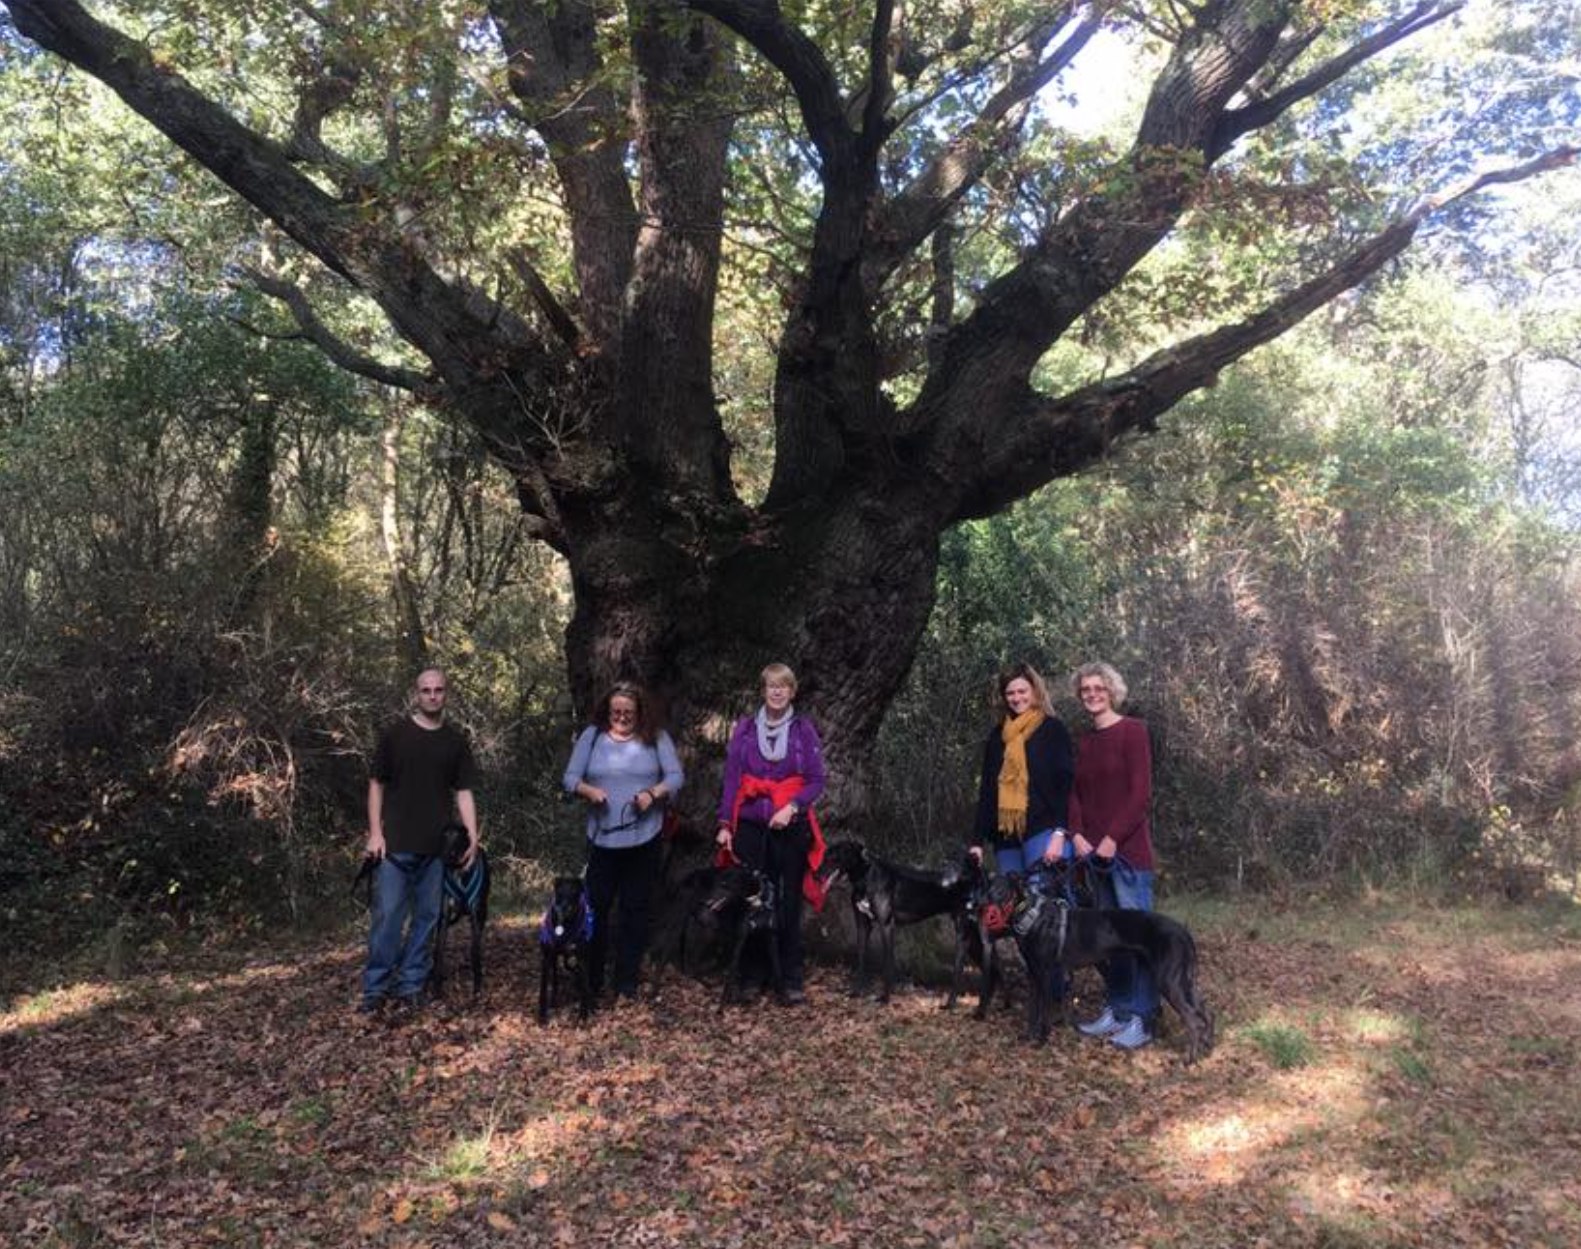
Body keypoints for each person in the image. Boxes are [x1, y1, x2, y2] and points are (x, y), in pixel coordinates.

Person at [361, 666, 480, 1015]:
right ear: (416, 694)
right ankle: (375, 988)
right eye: (426, 690)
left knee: (427, 919)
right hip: (395, 846)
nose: (432, 696)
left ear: (446, 694)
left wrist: (473, 836)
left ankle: (411, 985)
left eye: (438, 690)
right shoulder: (395, 736)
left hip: (437, 849)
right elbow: (376, 784)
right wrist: (375, 833)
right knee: (388, 918)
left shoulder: (455, 742)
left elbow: (464, 791)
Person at [562, 682, 684, 1003]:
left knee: (635, 910)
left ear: (640, 712)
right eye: (616, 711)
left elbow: (675, 777)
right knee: (595, 910)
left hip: (644, 838)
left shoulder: (656, 737)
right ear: (607, 710)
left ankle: (626, 982)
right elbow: (570, 778)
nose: (621, 717)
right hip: (602, 839)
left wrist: (652, 793)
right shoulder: (592, 736)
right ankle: (592, 979)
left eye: (628, 712)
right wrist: (589, 791)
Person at [715, 662, 827, 1006]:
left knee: (788, 901)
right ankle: (752, 976)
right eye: (771, 686)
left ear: (792, 691)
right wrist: (725, 825)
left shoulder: (804, 730)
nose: (777, 692)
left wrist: (792, 807)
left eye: (783, 686)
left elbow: (816, 780)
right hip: (750, 826)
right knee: (752, 900)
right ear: (763, 691)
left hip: (790, 827)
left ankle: (790, 979)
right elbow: (732, 779)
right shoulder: (746, 730)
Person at [1067, 661, 1159, 1050]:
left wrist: (1111, 839)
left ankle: (1143, 1018)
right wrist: (1077, 834)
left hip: (1128, 856)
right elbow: (1074, 793)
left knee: (1138, 938)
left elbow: (1140, 795)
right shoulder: (1085, 741)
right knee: (1109, 940)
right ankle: (1118, 1010)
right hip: (1093, 857)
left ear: (1112, 691)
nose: (1092, 694)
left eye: (1098, 688)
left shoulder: (1133, 731)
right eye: (1086, 689)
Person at [969, 662, 1075, 878]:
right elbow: (988, 791)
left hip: (1043, 831)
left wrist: (1060, 833)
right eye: (1010, 693)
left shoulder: (1052, 729)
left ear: (1034, 691)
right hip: (1006, 837)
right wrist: (976, 842)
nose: (1017, 698)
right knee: (1012, 898)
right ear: (1004, 697)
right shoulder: (997, 737)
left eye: (1022, 691)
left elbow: (1065, 785)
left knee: (1042, 896)